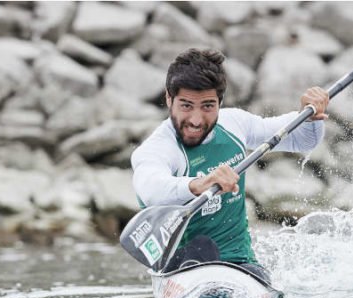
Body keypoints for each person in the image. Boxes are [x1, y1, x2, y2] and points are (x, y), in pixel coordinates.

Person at [131, 48, 330, 283]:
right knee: (201, 251)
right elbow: (150, 189)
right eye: (186, 106)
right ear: (168, 99)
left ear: (220, 102)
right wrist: (199, 184)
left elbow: (302, 139)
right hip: (183, 271)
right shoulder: (158, 148)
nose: (196, 120)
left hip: (242, 266)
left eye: (207, 106)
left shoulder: (235, 123)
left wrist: (311, 114)